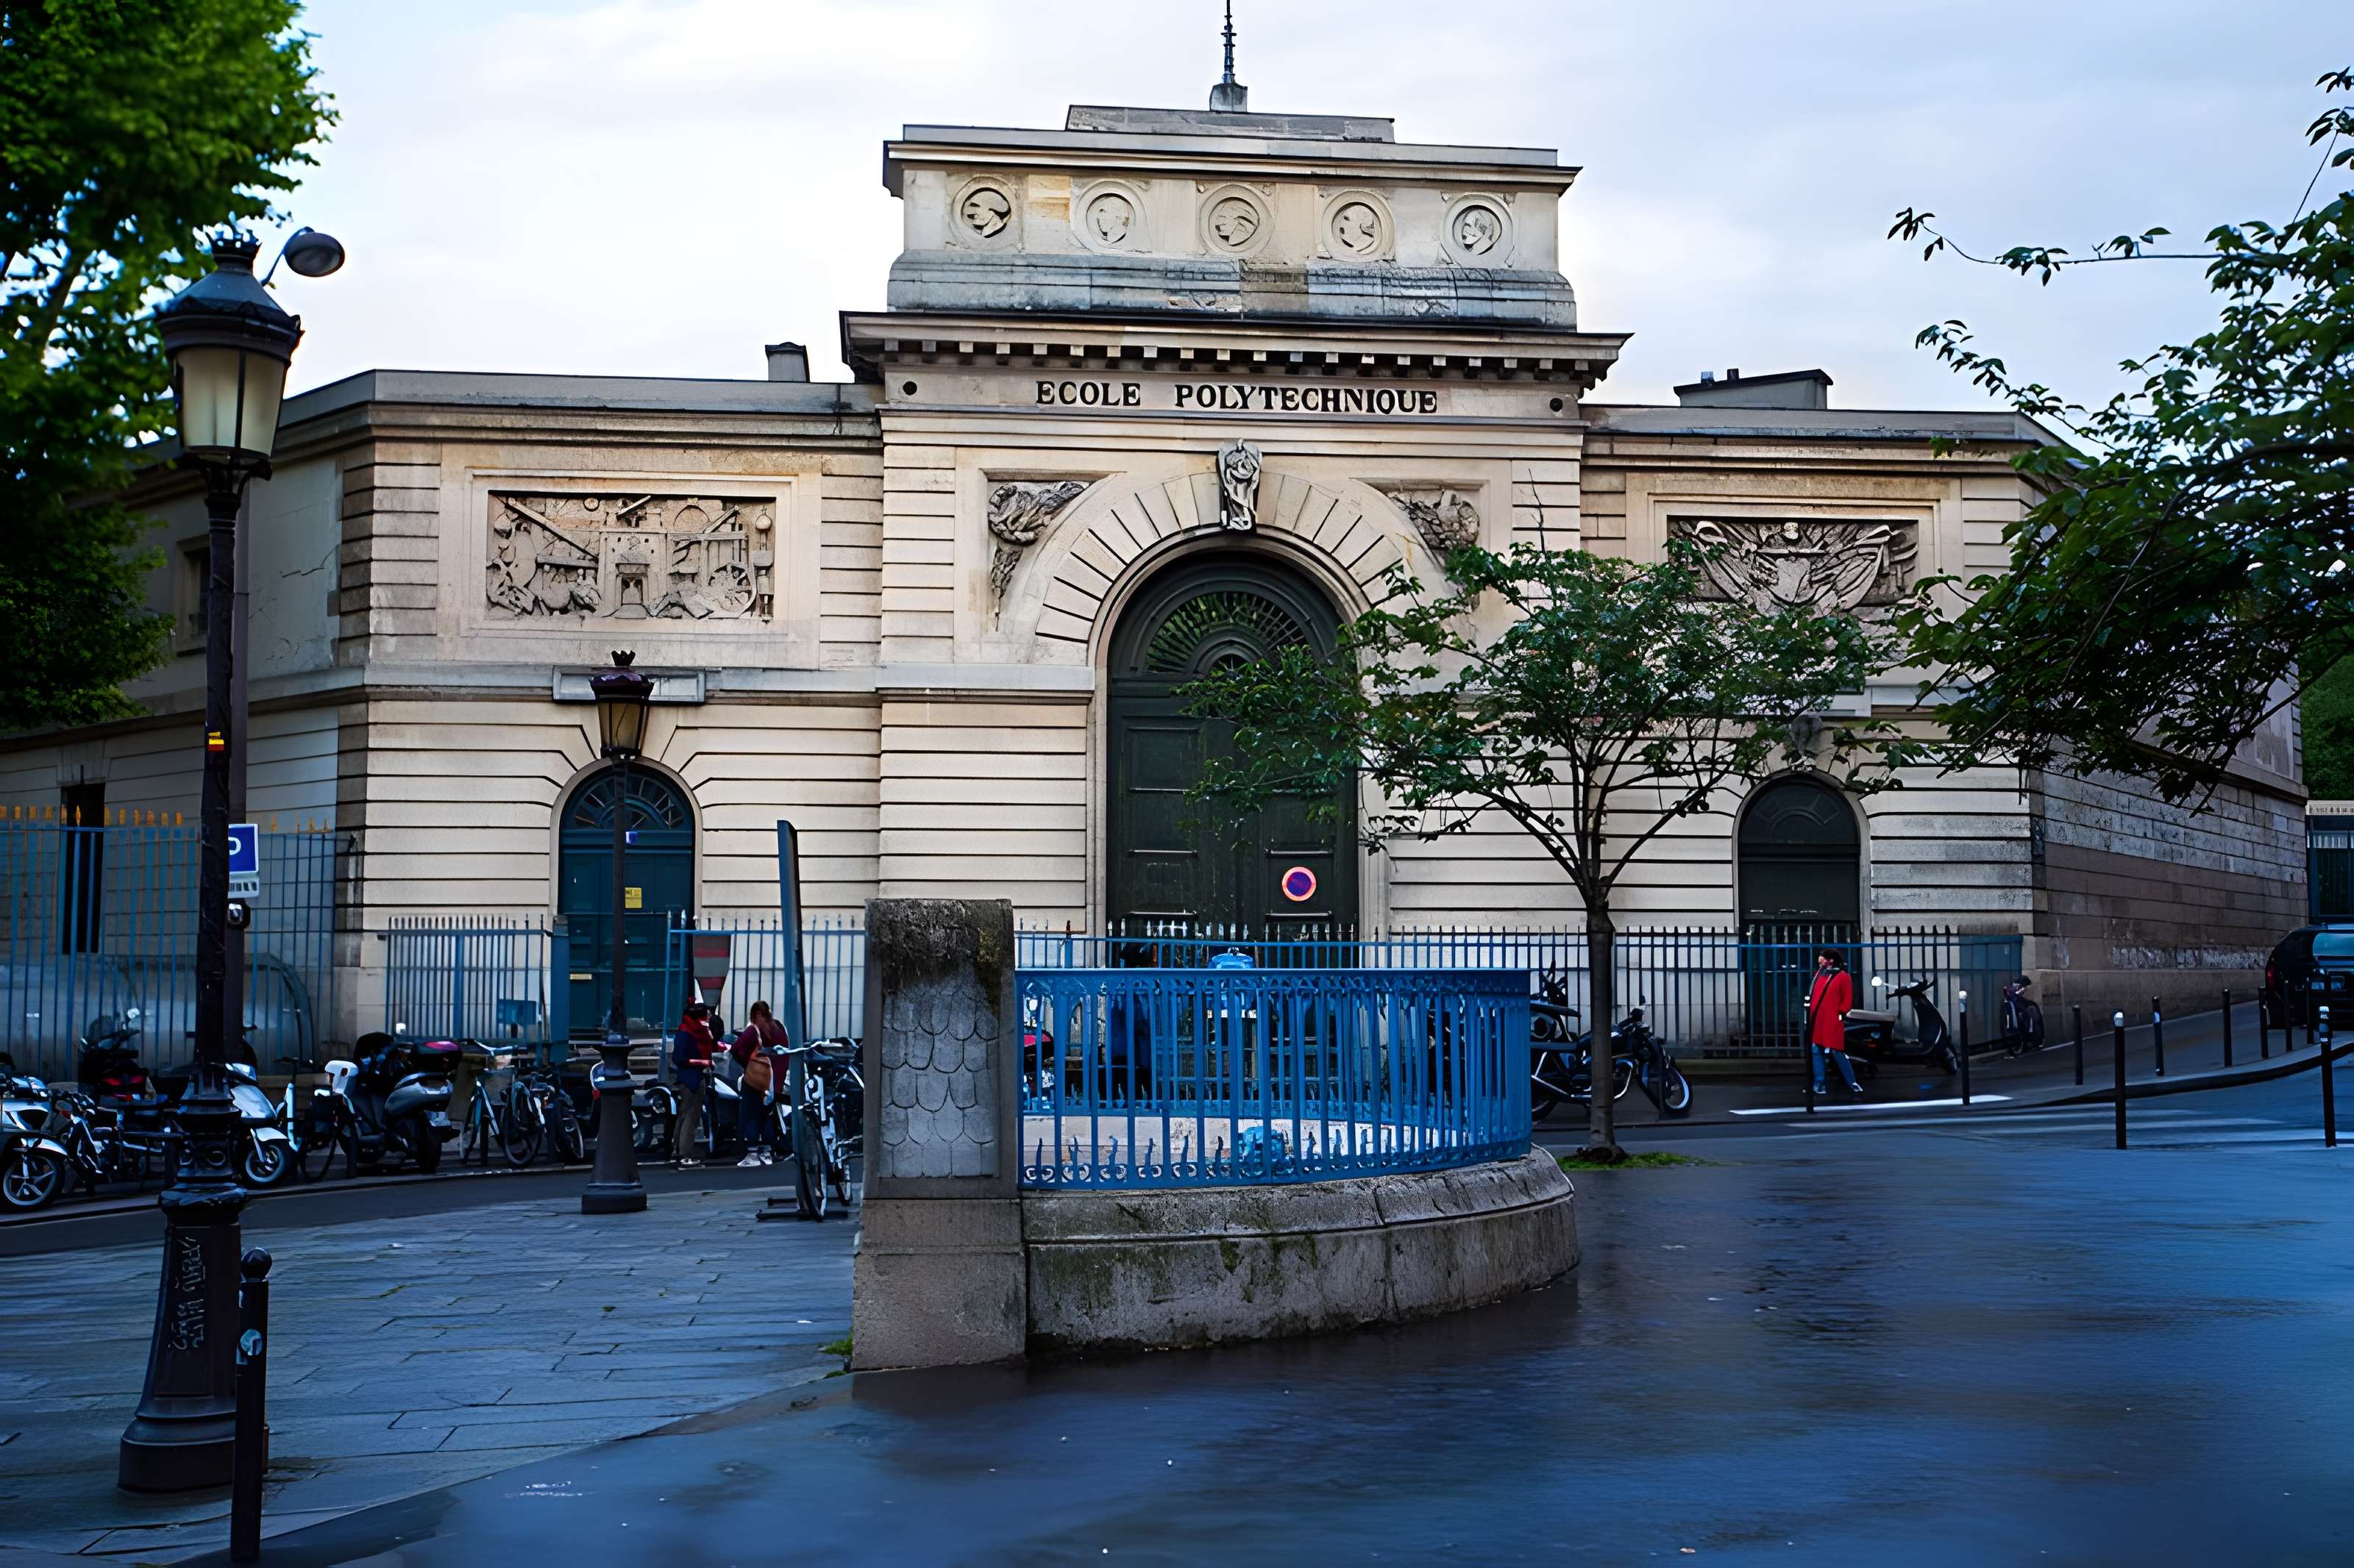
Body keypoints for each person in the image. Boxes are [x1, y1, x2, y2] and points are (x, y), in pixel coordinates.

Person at [730, 999, 789, 1168]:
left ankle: (753, 1154)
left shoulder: (753, 1030)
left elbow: (736, 1050)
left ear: (755, 1015)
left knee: (751, 1114)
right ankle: (767, 1152)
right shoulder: (778, 1028)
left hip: (757, 1079)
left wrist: (747, 1064)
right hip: (774, 1081)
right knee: (767, 1116)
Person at [1807, 949, 1863, 1100]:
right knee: (1816, 1050)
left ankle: (1853, 1084)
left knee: (1837, 1052)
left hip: (1832, 1019)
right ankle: (1819, 1084)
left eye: (1823, 958)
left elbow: (1847, 1001)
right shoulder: (1819, 974)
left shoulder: (1843, 977)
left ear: (1831, 960)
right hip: (1818, 1019)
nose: (1820, 960)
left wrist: (1840, 1014)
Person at [669, 1002, 717, 1167]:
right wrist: (702, 1062)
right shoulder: (687, 1033)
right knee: (691, 1117)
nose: (710, 1018)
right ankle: (685, 1154)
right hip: (692, 1078)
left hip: (694, 1076)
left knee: (685, 1115)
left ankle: (677, 1151)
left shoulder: (696, 1031)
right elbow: (679, 1058)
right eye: (708, 1015)